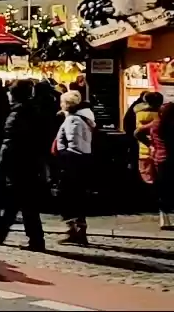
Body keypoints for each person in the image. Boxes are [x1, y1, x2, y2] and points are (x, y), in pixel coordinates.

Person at [0, 79, 47, 251]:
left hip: (18, 164)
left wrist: (0, 165)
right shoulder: (35, 112)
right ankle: (2, 231)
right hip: (31, 163)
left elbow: (9, 143)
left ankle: (36, 239)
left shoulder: (17, 115)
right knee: (17, 202)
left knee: (23, 203)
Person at [136, 101, 174, 229]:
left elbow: (137, 132)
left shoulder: (156, 125)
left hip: (159, 159)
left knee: (163, 189)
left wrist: (150, 144)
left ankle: (164, 219)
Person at [54, 90, 95, 245]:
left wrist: (64, 156)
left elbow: (74, 143)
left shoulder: (73, 121)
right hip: (81, 161)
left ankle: (74, 230)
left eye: (62, 102)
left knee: (68, 197)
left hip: (72, 162)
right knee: (77, 197)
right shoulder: (80, 118)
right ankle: (79, 230)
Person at [134, 91, 163, 188]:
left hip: (142, 149)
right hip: (158, 151)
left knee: (145, 177)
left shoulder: (138, 112)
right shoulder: (160, 115)